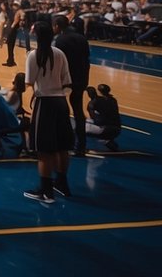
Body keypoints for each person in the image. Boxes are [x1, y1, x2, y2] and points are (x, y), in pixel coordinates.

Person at [24, 22, 74, 203]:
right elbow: (67, 81)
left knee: (44, 151)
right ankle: (62, 184)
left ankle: (46, 192)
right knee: (62, 147)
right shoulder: (60, 53)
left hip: (44, 102)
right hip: (61, 102)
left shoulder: (33, 55)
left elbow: (29, 82)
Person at [52, 15, 90, 157]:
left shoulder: (61, 40)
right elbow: (87, 57)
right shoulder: (82, 37)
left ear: (57, 26)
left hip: (66, 79)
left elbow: (58, 61)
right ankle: (81, 145)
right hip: (82, 78)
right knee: (78, 111)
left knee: (62, 111)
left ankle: (64, 141)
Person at [84, 85, 121, 152]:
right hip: (117, 130)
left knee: (79, 127)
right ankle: (108, 142)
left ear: (99, 92)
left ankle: (78, 147)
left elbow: (95, 118)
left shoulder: (95, 102)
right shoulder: (113, 100)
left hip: (105, 129)